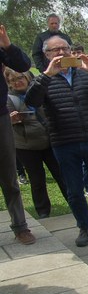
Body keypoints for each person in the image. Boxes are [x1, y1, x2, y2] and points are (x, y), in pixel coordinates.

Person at [25, 35, 88, 248]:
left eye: (65, 48)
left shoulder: (84, 74)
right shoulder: (43, 79)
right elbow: (32, 101)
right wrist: (46, 75)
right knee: (74, 189)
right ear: (47, 55)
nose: (61, 53)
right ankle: (85, 227)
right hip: (64, 142)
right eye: (55, 50)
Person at [5, 67, 68, 219]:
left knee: (61, 174)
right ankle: (43, 211)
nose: (17, 82)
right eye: (13, 80)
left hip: (49, 139)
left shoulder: (40, 91)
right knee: (36, 179)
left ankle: (74, 201)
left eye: (20, 78)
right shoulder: (7, 98)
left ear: (27, 78)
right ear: (9, 83)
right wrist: (11, 120)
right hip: (26, 144)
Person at [0, 26, 36, 244]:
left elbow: (23, 65)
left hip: (0, 117)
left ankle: (20, 226)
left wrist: (7, 44)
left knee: (8, 175)